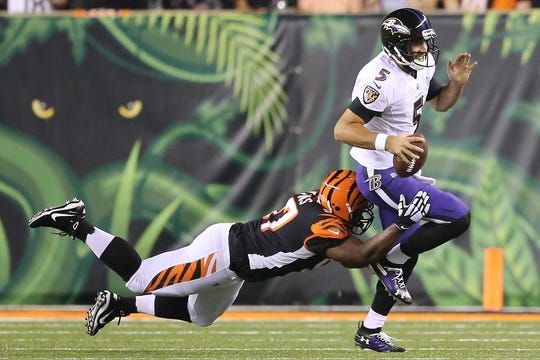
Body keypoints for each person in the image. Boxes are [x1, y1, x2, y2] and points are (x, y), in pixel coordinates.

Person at [28, 169, 430, 347]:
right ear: (341, 204)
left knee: (202, 316)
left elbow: (356, 248)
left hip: (235, 261)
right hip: (221, 256)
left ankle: (119, 306)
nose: (361, 217)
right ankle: (77, 222)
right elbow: (359, 257)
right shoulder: (323, 226)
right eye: (358, 208)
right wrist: (401, 227)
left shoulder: (317, 207)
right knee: (140, 276)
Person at [333, 8, 475, 352]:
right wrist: (389, 141)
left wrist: (455, 83)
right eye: (415, 44)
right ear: (396, 43)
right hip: (380, 174)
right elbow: (342, 129)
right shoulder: (379, 78)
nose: (423, 50)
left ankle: (370, 329)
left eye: (424, 43)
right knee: (458, 216)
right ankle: (389, 260)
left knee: (405, 254)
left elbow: (441, 104)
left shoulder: (415, 68)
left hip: (397, 170)